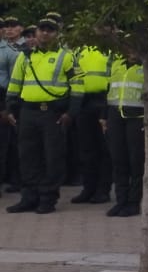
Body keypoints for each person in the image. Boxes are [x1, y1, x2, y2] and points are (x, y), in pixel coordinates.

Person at [3, 16, 77, 215]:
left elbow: (78, 87)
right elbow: (15, 83)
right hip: (28, 112)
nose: (45, 33)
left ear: (56, 34)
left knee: (52, 158)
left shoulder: (66, 56)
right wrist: (10, 108)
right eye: (42, 29)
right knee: (27, 156)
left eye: (50, 30)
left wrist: (71, 112)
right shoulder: (25, 56)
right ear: (35, 33)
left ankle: (47, 198)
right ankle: (29, 197)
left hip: (52, 113)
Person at [102, 37, 148, 218]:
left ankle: (133, 202)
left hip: (138, 118)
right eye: (128, 48)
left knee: (136, 162)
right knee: (118, 160)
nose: (131, 52)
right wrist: (103, 116)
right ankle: (121, 201)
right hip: (115, 116)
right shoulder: (117, 65)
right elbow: (108, 91)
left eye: (134, 48)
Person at [68, 38, 113, 204]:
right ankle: (88, 188)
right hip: (83, 101)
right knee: (86, 149)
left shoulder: (112, 49)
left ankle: (103, 190)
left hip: (104, 100)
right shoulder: (78, 50)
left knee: (104, 150)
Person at [0, 15, 21, 197]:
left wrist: (8, 108)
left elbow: (13, 82)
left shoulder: (10, 52)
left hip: (1, 98)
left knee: (2, 144)